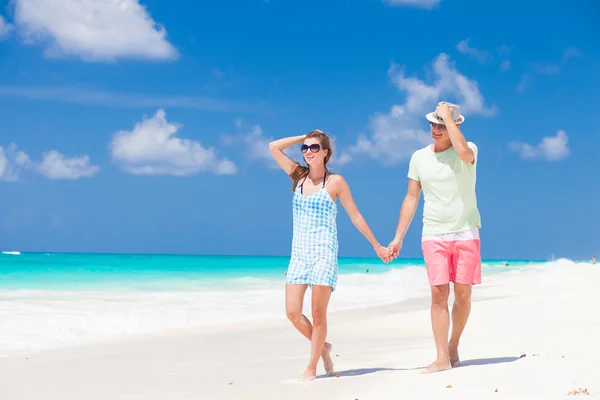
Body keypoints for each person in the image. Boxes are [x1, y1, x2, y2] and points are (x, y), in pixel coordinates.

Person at [269, 130, 391, 381]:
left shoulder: (335, 182)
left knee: (317, 313)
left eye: (314, 147)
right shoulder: (298, 176)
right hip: (298, 254)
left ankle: (312, 366)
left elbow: (355, 216)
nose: (308, 152)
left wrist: (377, 245)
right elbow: (273, 147)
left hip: (324, 252)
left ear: (325, 152)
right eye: (305, 148)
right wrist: (304, 135)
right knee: (292, 312)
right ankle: (322, 346)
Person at [388, 102, 482, 374]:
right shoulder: (419, 157)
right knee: (438, 294)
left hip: (466, 231)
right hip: (433, 234)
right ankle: (442, 356)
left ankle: (453, 346)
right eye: (434, 123)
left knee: (462, 296)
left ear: (455, 125)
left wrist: (450, 120)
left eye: (442, 124)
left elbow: (462, 152)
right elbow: (411, 197)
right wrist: (398, 237)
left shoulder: (469, 149)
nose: (436, 129)